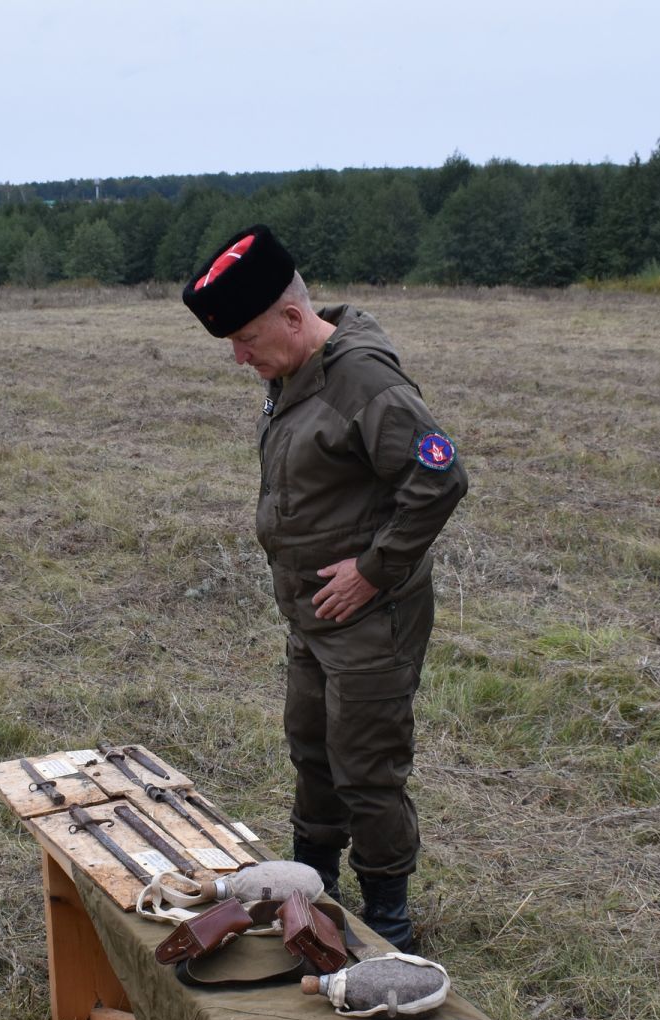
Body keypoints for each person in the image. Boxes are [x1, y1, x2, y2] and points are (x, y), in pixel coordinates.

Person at [181, 225, 468, 950]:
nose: (240, 358)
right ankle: (311, 888)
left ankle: (389, 921)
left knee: (366, 769)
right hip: (311, 616)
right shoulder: (291, 372)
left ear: (291, 316)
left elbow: (439, 476)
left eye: (247, 338)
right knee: (311, 748)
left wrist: (374, 571)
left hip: (371, 620)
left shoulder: (364, 381)